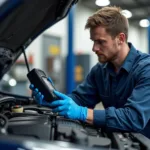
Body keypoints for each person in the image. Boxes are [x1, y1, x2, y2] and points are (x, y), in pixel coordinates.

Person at [30, 6, 150, 139]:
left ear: (120, 38)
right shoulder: (100, 71)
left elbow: (134, 118)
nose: (94, 48)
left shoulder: (146, 69)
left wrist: (83, 113)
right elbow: (80, 99)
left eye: (101, 42)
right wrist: (53, 99)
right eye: (93, 41)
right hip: (117, 140)